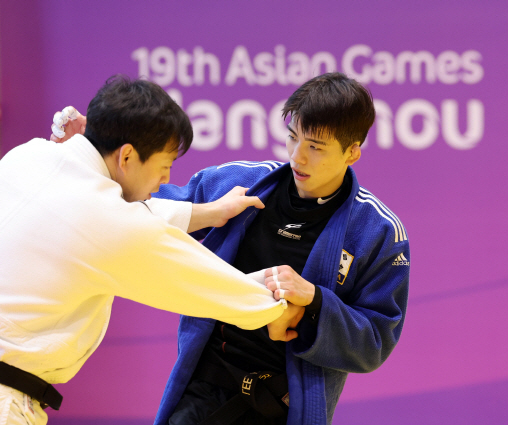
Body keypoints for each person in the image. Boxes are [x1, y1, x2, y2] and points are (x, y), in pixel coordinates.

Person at [51, 72, 410, 425]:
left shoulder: (377, 231)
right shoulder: (237, 182)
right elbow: (143, 205)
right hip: (202, 392)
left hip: (283, 407)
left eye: (315, 147)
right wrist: (99, 153)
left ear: (352, 152)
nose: (297, 157)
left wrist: (315, 301)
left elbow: (375, 341)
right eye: (292, 137)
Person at [0, 76, 303, 425]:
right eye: (164, 168)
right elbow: (191, 276)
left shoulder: (28, 155)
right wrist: (274, 309)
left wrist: (208, 213)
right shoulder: (107, 221)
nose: (164, 182)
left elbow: (108, 218)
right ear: (127, 154)